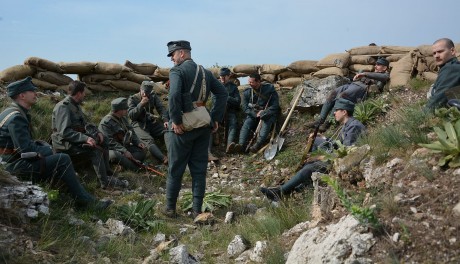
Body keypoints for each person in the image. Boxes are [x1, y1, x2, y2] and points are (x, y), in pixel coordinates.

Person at [0, 77, 111, 209]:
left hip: (10, 160)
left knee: (51, 152)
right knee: (62, 159)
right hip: (12, 165)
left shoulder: (12, 111)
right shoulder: (16, 117)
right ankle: (85, 201)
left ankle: (72, 193)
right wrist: (49, 150)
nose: (36, 94)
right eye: (32, 91)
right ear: (22, 95)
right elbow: (25, 150)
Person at [165, 40, 228, 217]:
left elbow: (174, 96)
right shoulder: (205, 72)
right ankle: (196, 210)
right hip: (202, 125)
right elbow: (222, 93)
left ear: (182, 54)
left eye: (173, 55)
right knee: (199, 170)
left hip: (183, 127)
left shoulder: (177, 71)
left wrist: (176, 121)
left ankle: (170, 209)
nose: (172, 59)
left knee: (175, 168)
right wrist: (214, 118)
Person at [260, 98, 365, 201]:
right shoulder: (348, 124)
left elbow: (346, 153)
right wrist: (324, 138)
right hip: (338, 155)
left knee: (309, 168)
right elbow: (339, 146)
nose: (334, 113)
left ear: (344, 112)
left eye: (336, 110)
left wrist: (320, 157)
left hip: (344, 162)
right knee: (315, 140)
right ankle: (305, 180)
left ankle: (280, 192)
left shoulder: (353, 127)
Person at [51, 80, 128, 189]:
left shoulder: (75, 105)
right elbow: (64, 132)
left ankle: (107, 172)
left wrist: (98, 132)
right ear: (78, 93)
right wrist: (85, 138)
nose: (85, 95)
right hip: (64, 144)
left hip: (74, 140)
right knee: (94, 150)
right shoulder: (63, 107)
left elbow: (86, 124)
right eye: (83, 92)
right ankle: (105, 184)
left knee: (104, 140)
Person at [308, 57, 390, 132]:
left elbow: (384, 78)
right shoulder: (371, 73)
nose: (375, 66)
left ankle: (328, 123)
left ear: (385, 67)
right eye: (376, 64)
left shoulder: (384, 75)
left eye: (378, 65)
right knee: (332, 94)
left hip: (361, 89)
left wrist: (365, 74)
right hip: (352, 85)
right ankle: (320, 120)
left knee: (342, 96)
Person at [234, 73, 280, 153]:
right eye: (249, 82)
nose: (249, 83)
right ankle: (241, 145)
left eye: (251, 82)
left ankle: (257, 145)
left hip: (267, 113)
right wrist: (254, 114)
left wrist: (265, 112)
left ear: (258, 82)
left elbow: (275, 105)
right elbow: (245, 107)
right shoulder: (247, 92)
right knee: (247, 123)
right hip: (253, 114)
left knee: (266, 123)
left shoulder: (269, 89)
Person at [98, 97, 147, 172]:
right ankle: (136, 169)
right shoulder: (105, 123)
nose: (127, 110)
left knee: (142, 151)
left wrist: (138, 142)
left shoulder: (122, 118)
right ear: (119, 110)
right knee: (116, 155)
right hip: (110, 150)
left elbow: (131, 131)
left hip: (123, 146)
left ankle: (123, 164)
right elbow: (109, 142)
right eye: (125, 109)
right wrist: (124, 151)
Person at [128, 80, 169, 165]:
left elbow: (161, 108)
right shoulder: (133, 99)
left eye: (148, 92)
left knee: (166, 130)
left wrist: (165, 120)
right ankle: (163, 158)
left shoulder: (153, 96)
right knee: (148, 140)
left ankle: (173, 152)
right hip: (138, 123)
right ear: (140, 89)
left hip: (151, 121)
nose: (145, 94)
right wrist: (141, 104)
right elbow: (131, 115)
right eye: (144, 91)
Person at [425, 38, 460, 110]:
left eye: (440, 51)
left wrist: (422, 116)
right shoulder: (449, 68)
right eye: (434, 53)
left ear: (452, 51)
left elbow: (439, 98)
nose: (436, 56)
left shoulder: (451, 68)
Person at [219, 67, 242, 154]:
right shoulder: (216, 85)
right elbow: (214, 100)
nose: (222, 78)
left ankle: (229, 145)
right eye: (221, 77)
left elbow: (237, 101)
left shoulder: (233, 87)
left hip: (230, 110)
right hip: (219, 110)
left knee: (233, 122)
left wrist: (226, 97)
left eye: (224, 76)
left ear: (229, 76)